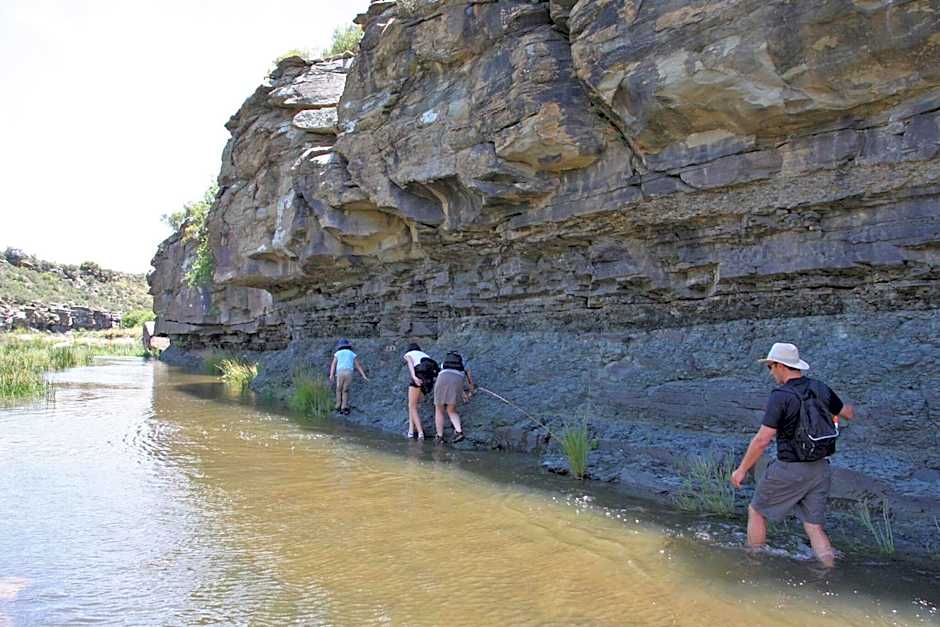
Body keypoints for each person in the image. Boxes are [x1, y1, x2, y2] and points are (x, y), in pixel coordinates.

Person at [730, 342, 855, 567]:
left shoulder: (781, 395)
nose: (770, 372)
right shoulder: (820, 387)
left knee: (756, 511)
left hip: (790, 468)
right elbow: (848, 413)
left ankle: (752, 564)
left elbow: (762, 440)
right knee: (813, 527)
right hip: (820, 468)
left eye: (770, 366)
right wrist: (833, 416)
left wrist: (742, 470)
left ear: (780, 366)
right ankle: (829, 572)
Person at [433, 351, 475, 444]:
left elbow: (442, 375)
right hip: (457, 380)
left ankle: (439, 436)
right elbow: (469, 382)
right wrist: (470, 392)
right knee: (451, 409)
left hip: (442, 379)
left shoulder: (443, 364)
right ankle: (459, 431)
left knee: (439, 409)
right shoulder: (464, 365)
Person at [402, 342, 438, 439]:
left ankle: (420, 433)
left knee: (411, 405)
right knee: (414, 405)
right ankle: (410, 431)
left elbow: (410, 363)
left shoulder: (409, 354)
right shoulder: (426, 355)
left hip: (419, 376)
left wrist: (414, 377)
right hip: (429, 381)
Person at [328, 338, 368, 415]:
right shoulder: (352, 353)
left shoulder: (338, 353)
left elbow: (333, 364)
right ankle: (344, 407)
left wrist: (331, 375)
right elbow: (358, 365)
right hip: (349, 372)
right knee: (345, 390)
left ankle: (338, 405)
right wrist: (364, 376)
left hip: (340, 372)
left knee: (339, 389)